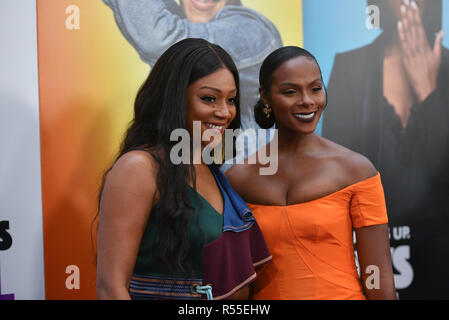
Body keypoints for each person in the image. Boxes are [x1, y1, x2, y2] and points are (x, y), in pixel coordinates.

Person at [95, 38, 271, 300]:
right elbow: (111, 288)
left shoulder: (211, 168)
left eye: (231, 100)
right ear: (174, 97)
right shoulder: (139, 169)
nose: (224, 112)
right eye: (209, 98)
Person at [226, 46, 397, 300]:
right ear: (265, 97)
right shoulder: (239, 178)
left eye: (315, 89)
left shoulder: (356, 170)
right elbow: (234, 279)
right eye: (290, 91)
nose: (307, 100)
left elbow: (378, 275)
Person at [322, 0, 448, 298]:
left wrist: (428, 92)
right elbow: (334, 176)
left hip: (439, 256)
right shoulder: (349, 67)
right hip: (367, 249)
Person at [103, 0, 283, 165]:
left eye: (229, 100)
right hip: (193, 170)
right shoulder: (184, 22)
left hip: (246, 181)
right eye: (209, 98)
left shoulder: (250, 30)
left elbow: (160, 38)